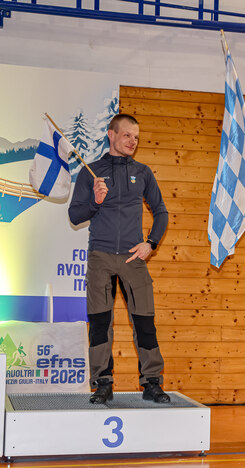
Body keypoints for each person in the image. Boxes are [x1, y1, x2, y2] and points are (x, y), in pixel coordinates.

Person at [68, 113, 170, 404]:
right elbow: (75, 215)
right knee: (100, 323)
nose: (132, 141)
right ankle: (102, 383)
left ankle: (152, 382)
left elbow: (161, 212)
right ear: (111, 135)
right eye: (127, 135)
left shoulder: (143, 172)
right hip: (100, 257)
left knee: (145, 322)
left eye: (136, 137)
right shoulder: (92, 172)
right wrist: (95, 201)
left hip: (132, 259)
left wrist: (150, 243)